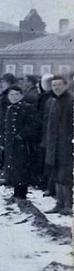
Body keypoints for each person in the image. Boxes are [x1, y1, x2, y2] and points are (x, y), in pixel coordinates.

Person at [0, 85, 39, 200]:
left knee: (21, 168)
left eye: (17, 94)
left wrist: (22, 135)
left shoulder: (27, 108)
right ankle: (16, 191)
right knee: (13, 167)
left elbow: (34, 124)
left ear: (22, 95)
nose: (14, 97)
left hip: (23, 144)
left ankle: (22, 193)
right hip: (11, 143)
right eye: (12, 95)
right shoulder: (9, 108)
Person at [44, 76, 73, 215]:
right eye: (54, 85)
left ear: (65, 85)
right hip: (53, 145)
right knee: (55, 173)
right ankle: (59, 203)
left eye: (59, 85)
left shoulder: (70, 101)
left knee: (65, 174)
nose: (56, 88)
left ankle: (68, 204)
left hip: (66, 145)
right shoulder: (52, 101)